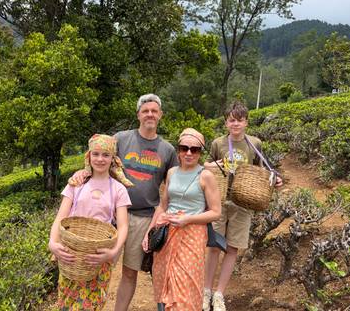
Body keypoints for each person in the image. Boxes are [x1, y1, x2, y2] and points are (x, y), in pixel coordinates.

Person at [69, 94, 178, 311]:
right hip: (110, 214)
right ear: (138, 114)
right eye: (145, 110)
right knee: (97, 266)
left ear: (160, 115)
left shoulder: (168, 150)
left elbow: (174, 182)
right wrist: (84, 171)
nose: (150, 114)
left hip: (142, 218)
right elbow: (99, 155)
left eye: (154, 111)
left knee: (129, 271)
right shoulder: (121, 138)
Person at [203, 101, 283, 311]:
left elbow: (262, 171)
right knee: (213, 247)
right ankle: (206, 291)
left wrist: (275, 180)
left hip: (243, 203)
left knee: (232, 248)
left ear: (246, 122)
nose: (235, 124)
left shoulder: (254, 143)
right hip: (219, 201)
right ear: (226, 122)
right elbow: (205, 166)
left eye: (239, 120)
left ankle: (219, 293)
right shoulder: (218, 143)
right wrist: (215, 165)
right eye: (231, 120)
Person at [48, 134, 133, 310]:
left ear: (113, 159)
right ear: (89, 156)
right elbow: (60, 217)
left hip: (97, 257)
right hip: (71, 254)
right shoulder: (76, 183)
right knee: (66, 303)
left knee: (91, 304)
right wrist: (52, 244)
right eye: (96, 154)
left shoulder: (118, 189)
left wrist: (113, 252)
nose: (100, 159)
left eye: (105, 155)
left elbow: (124, 225)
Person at [143, 128, 221, 310]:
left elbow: (216, 212)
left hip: (192, 235)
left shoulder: (206, 176)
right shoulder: (171, 173)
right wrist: (149, 231)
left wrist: (188, 219)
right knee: (165, 280)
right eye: (184, 148)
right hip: (166, 233)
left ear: (201, 152)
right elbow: (163, 206)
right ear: (178, 149)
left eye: (194, 149)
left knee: (186, 284)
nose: (188, 153)